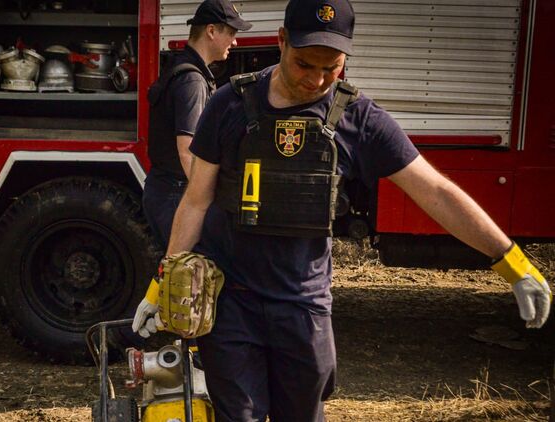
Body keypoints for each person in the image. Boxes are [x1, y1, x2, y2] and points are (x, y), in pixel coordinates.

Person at [132, 0, 552, 420]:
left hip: (303, 306)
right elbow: (196, 200)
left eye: (331, 67)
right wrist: (161, 284)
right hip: (232, 302)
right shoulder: (229, 104)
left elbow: (435, 191)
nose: (316, 79)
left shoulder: (359, 119)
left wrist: (511, 261)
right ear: (281, 41)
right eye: (304, 64)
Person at [143, 0, 251, 249]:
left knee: (175, 268)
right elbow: (187, 151)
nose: (235, 42)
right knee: (187, 269)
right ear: (211, 31)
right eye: (231, 33)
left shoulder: (183, 68)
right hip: (176, 194)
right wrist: (207, 200)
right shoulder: (191, 81)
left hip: (167, 191)